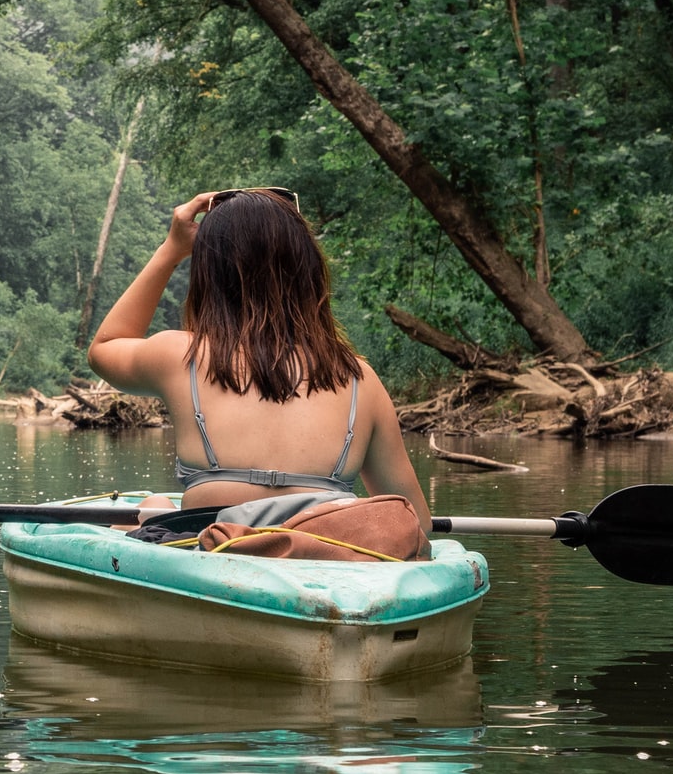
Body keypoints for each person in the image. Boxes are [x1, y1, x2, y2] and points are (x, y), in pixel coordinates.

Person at [86, 188, 431, 540]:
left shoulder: (179, 355)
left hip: (212, 551)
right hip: (317, 551)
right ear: (308, 272)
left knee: (153, 506)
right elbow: (415, 519)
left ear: (209, 273)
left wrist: (171, 250)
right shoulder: (359, 379)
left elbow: (104, 347)